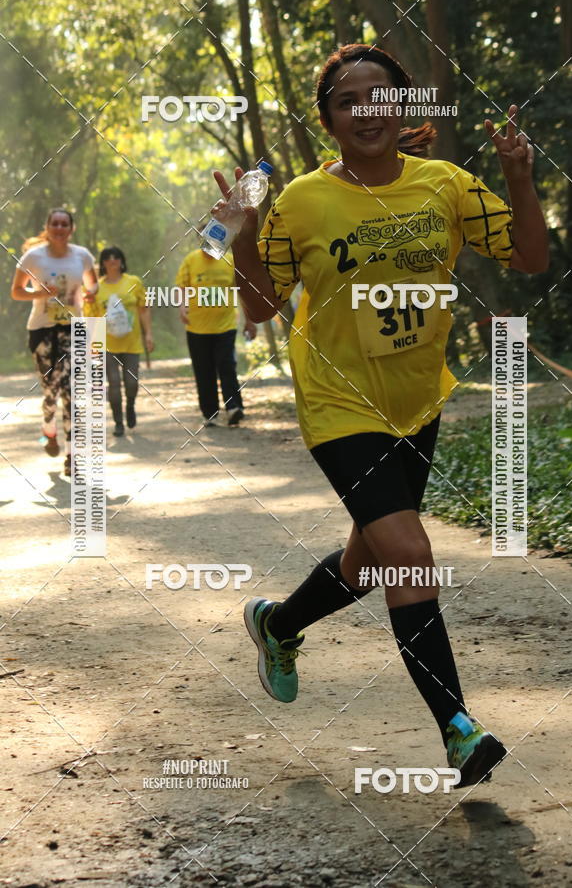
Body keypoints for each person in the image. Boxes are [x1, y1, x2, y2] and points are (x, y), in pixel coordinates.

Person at [212, 45, 548, 787]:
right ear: (328, 119)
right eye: (348, 101)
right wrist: (242, 231)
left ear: (404, 108)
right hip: (338, 405)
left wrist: (521, 178)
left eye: (381, 96)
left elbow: (529, 255)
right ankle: (458, 728)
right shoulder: (300, 201)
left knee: (372, 562)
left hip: (416, 400)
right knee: (409, 552)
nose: (367, 110)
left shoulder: (447, 185)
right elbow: (260, 308)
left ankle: (278, 623)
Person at [11, 208, 99, 476]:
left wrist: (89, 294)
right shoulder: (33, 257)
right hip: (42, 329)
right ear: (47, 227)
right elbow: (16, 291)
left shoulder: (82, 255)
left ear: (71, 228)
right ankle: (48, 427)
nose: (59, 228)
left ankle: (73, 456)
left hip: (73, 330)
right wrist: (39, 292)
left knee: (73, 392)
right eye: (55, 223)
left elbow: (93, 285)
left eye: (64, 224)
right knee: (51, 391)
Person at [175, 245, 256, 427]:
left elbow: (242, 291)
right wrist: (182, 306)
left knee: (227, 366)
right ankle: (210, 413)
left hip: (225, 326)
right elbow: (181, 287)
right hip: (196, 328)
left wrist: (249, 320)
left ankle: (234, 407)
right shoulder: (191, 260)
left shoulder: (230, 261)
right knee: (204, 371)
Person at [84, 247, 153, 437]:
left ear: (122, 261)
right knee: (113, 383)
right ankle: (118, 422)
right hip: (107, 344)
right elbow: (91, 317)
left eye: (116, 257)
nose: (112, 260)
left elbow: (144, 309)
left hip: (131, 343)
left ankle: (130, 405)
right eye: (107, 258)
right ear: (103, 263)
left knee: (131, 382)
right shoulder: (96, 288)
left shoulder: (134, 282)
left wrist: (148, 334)